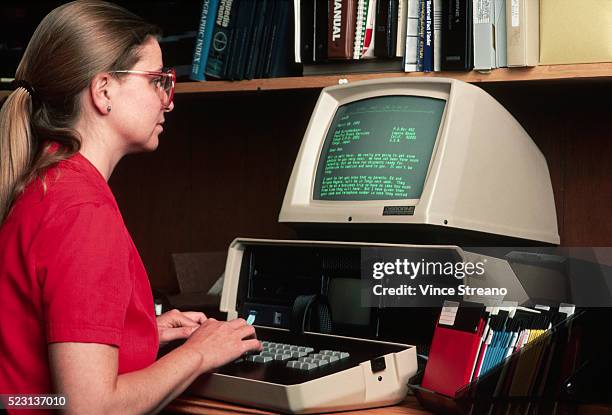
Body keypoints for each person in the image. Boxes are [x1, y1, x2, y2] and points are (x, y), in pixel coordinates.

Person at [0, 1, 261, 414]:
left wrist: (137, 336)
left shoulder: (46, 183)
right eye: (157, 80)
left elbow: (28, 378)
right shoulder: (82, 211)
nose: (168, 100)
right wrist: (199, 354)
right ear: (103, 91)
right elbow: (91, 408)